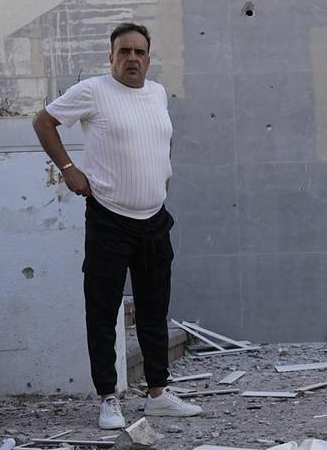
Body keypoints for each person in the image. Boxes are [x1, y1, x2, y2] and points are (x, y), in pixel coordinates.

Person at [32, 23, 202, 428]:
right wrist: (69, 169)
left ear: (148, 57)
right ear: (111, 57)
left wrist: (161, 174)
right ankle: (109, 398)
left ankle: (158, 393)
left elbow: (158, 140)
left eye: (139, 52)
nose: (132, 58)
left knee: (154, 307)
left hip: (154, 220)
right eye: (123, 51)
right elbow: (43, 122)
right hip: (110, 218)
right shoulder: (93, 91)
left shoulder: (157, 93)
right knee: (103, 309)